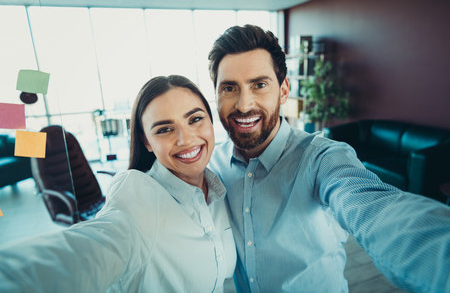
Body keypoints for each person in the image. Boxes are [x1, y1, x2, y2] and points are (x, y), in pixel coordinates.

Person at [207, 24, 450, 293]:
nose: (243, 105)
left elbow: (375, 208)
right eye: (229, 88)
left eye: (260, 85)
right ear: (216, 95)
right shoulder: (212, 165)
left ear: (284, 90)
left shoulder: (322, 158)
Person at [0, 75, 236, 292]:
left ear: (210, 121)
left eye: (195, 119)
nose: (186, 139)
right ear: (147, 142)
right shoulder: (139, 202)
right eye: (164, 129)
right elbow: (91, 249)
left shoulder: (220, 187)